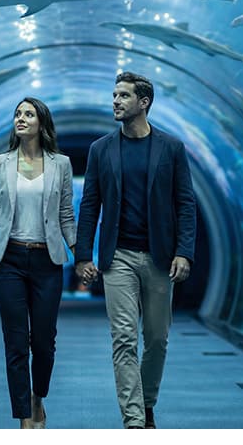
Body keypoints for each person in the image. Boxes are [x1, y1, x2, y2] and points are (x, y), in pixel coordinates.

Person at [74, 71, 197, 429]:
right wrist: (84, 256)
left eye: (123, 96)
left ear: (143, 103)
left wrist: (184, 252)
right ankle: (134, 421)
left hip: (160, 257)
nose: (115, 101)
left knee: (157, 339)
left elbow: (186, 203)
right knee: (124, 339)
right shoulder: (101, 149)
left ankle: (146, 404)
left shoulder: (171, 148)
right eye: (114, 95)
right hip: (119, 258)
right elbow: (90, 205)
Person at [0, 97, 76, 429]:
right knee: (16, 341)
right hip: (9, 262)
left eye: (28, 114)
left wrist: (82, 255)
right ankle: (23, 417)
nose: (21, 118)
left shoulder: (60, 164)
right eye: (17, 113)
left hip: (47, 260)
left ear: (41, 123)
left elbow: (65, 216)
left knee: (44, 341)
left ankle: (37, 398)